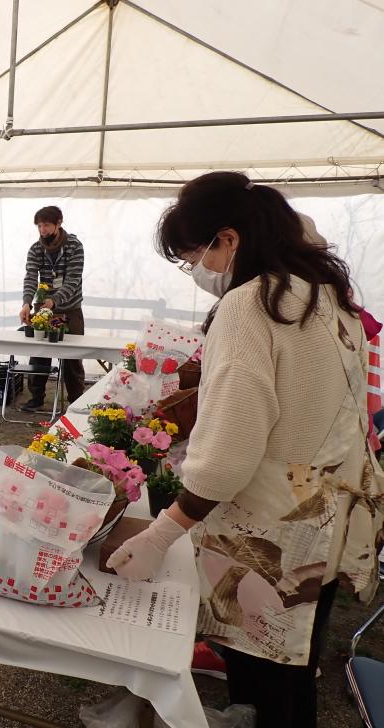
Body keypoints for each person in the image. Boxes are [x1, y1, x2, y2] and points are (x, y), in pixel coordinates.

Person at [106, 172, 382, 727]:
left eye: (194, 257)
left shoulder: (251, 306)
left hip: (272, 530)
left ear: (228, 240)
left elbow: (232, 449)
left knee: (264, 680)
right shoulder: (324, 295)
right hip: (325, 516)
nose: (198, 273)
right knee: (291, 672)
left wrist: (162, 533)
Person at [18, 205, 85, 412]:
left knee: (72, 357)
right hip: (43, 309)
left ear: (59, 223)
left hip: (70, 309)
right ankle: (36, 397)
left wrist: (55, 301)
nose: (42, 229)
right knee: (39, 354)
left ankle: (76, 402)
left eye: (46, 224)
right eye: (39, 225)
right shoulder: (35, 249)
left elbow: (73, 279)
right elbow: (31, 276)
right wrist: (27, 303)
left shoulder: (75, 246)